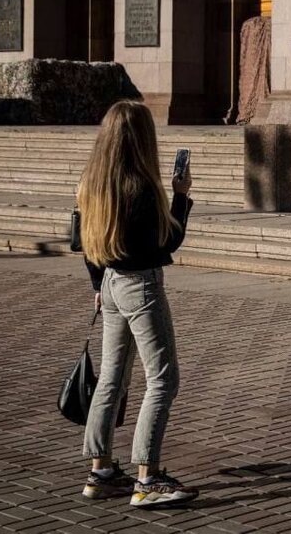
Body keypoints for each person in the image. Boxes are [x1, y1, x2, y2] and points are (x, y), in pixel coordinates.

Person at [76, 100, 198, 507]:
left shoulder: (92, 183)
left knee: (112, 378)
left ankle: (101, 471)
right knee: (163, 379)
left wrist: (97, 284)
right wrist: (180, 197)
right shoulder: (141, 188)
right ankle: (147, 478)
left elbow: (83, 243)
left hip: (109, 284)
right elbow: (167, 241)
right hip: (141, 287)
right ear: (140, 138)